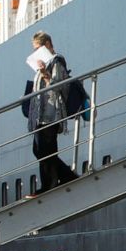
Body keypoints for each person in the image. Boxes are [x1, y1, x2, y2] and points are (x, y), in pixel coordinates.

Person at [26, 31, 78, 197]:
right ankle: (65, 177)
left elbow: (59, 86)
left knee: (46, 148)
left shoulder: (56, 61)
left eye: (39, 47)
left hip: (51, 112)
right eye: (35, 49)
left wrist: (44, 74)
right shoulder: (42, 62)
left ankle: (50, 184)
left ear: (48, 44)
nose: (36, 51)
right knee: (39, 149)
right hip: (40, 113)